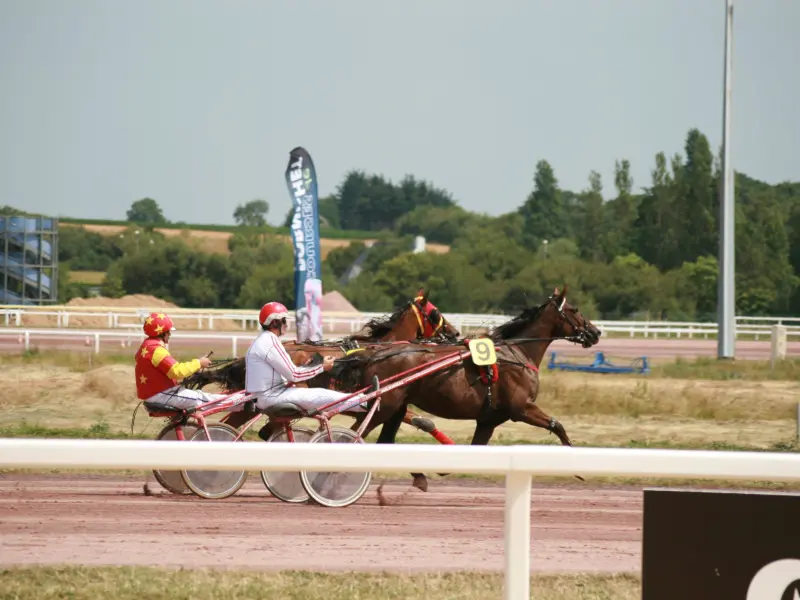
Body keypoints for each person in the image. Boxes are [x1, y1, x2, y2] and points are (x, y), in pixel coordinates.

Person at [245, 301, 369, 441]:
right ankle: (365, 401)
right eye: (283, 320)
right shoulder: (270, 342)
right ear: (274, 323)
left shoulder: (261, 340)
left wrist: (310, 368)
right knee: (323, 395)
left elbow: (279, 375)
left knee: (320, 394)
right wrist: (322, 367)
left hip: (266, 395)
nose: (286, 324)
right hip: (272, 397)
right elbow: (295, 374)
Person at [135, 311, 227, 411]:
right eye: (168, 332)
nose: (170, 334)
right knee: (203, 399)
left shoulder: (147, 346)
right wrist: (199, 363)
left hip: (156, 395)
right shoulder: (157, 350)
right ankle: (240, 404)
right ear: (163, 333)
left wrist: (196, 366)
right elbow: (177, 371)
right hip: (162, 395)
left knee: (198, 396)